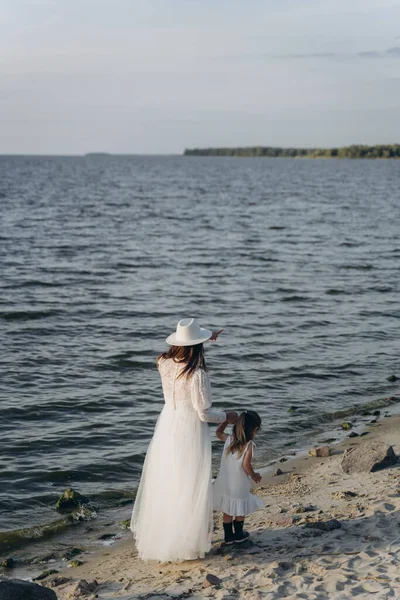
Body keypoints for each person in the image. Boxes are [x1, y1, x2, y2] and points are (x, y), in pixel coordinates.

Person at [130, 318, 238, 561]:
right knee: (190, 482)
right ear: (199, 346)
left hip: (168, 424)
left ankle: (166, 539)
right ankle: (187, 543)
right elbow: (203, 413)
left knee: (169, 480)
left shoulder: (163, 362)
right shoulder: (198, 374)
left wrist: (208, 336)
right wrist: (228, 416)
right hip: (190, 429)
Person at [213, 410, 264, 544]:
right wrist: (254, 476)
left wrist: (225, 421)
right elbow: (246, 465)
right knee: (240, 508)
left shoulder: (229, 439)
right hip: (239, 483)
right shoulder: (249, 445)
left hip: (226, 482)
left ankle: (229, 536)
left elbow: (218, 433)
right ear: (255, 429)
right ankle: (239, 534)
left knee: (228, 509)